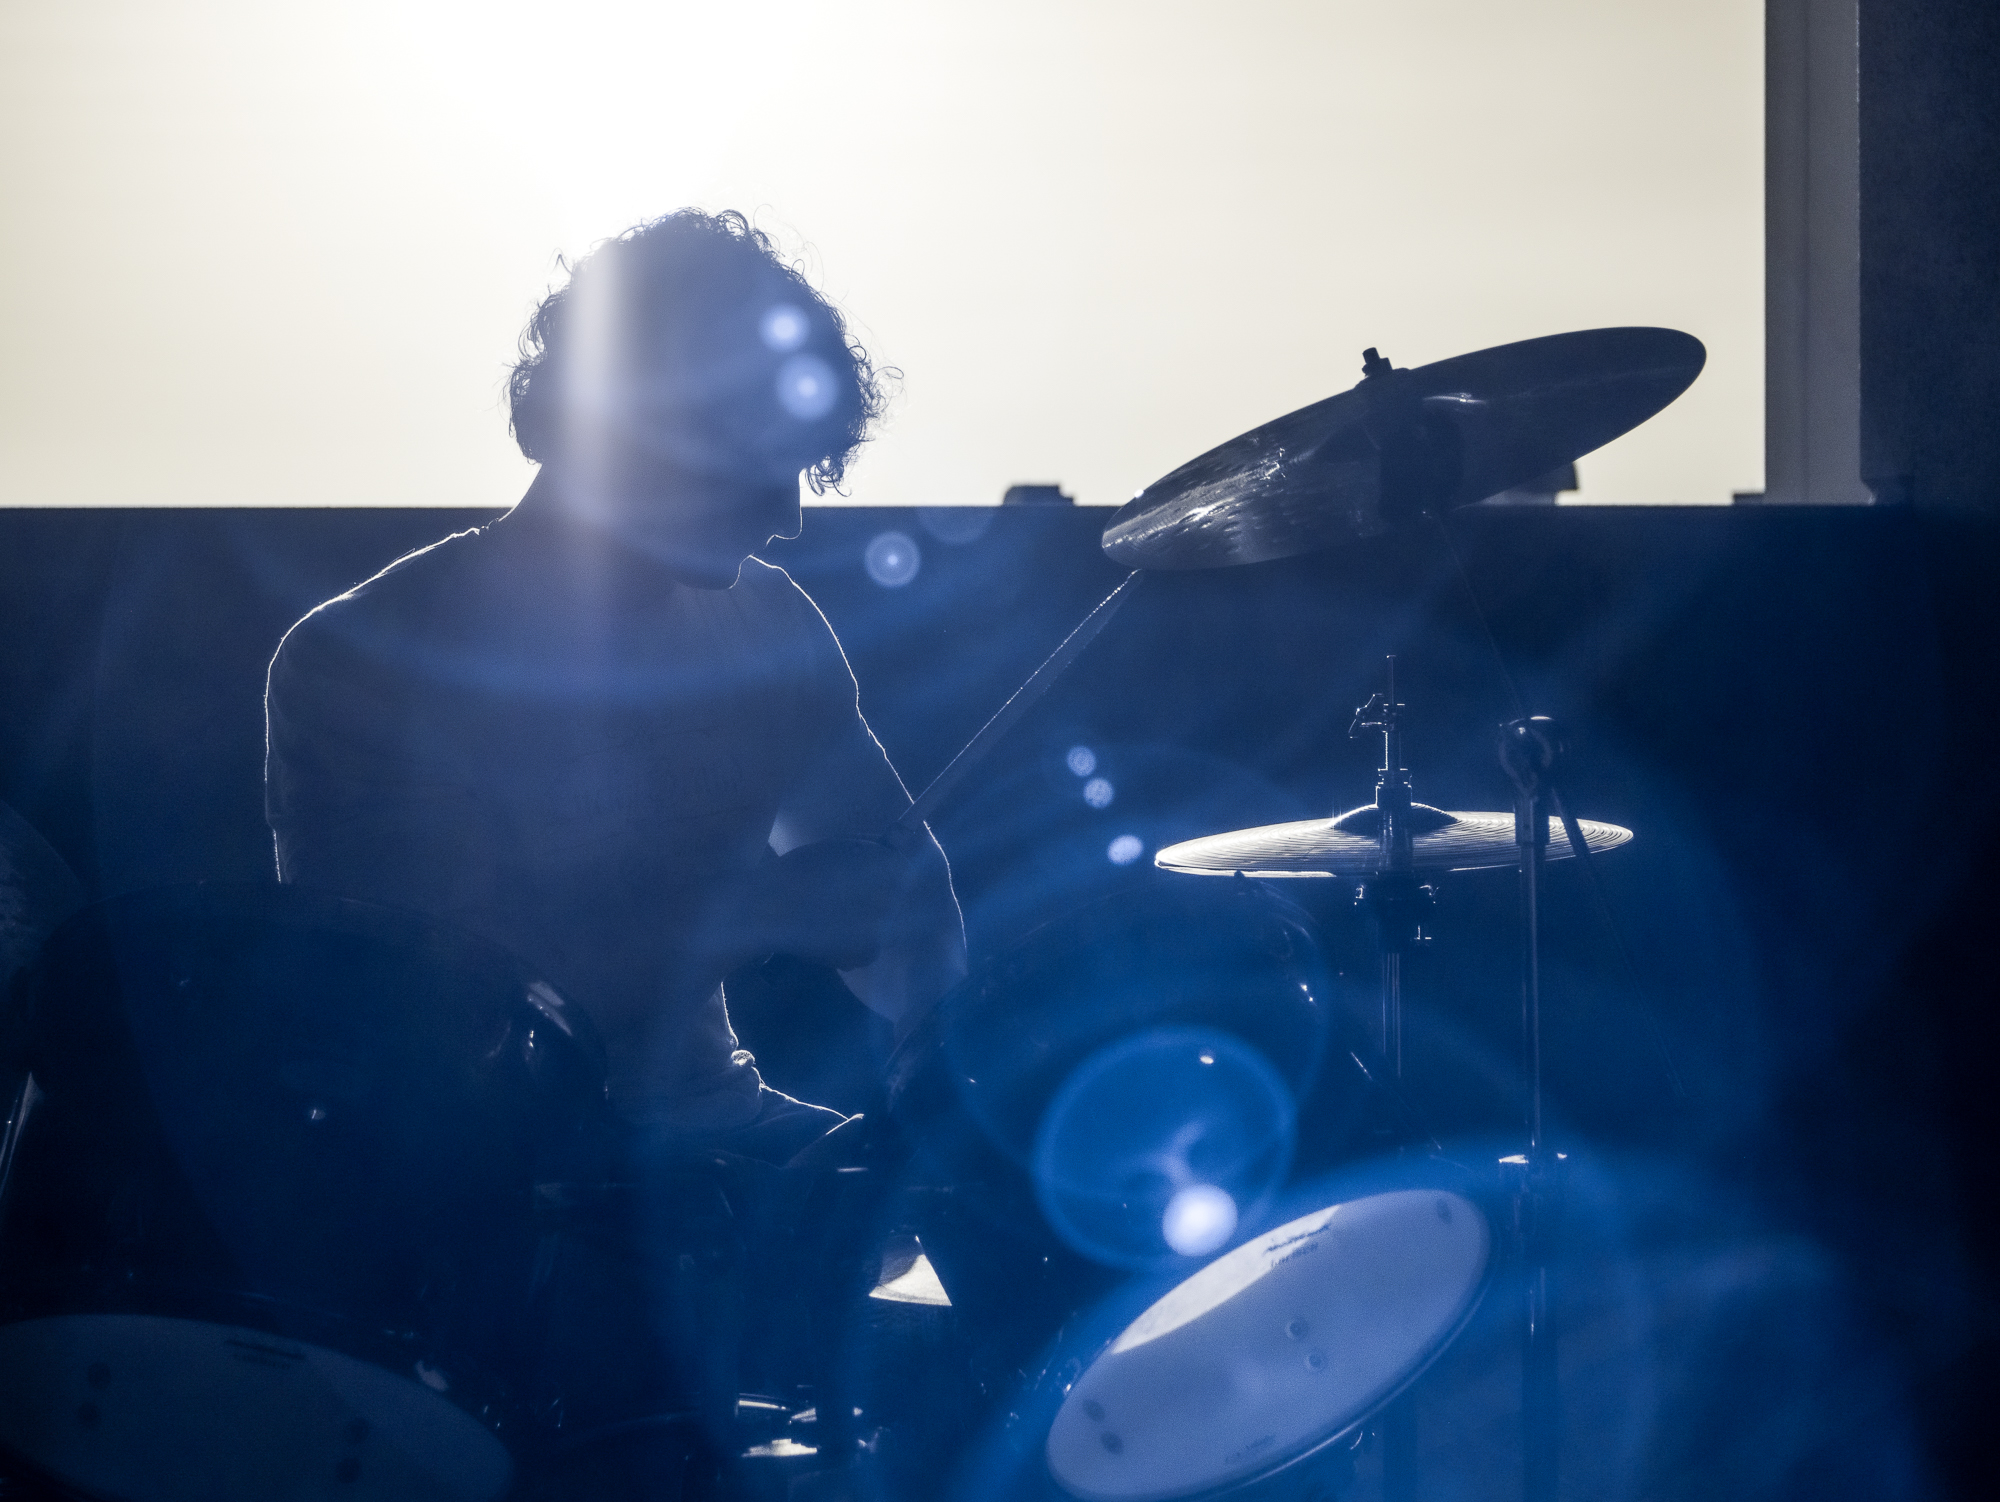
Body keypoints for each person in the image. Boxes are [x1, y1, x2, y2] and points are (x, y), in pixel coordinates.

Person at [264, 209, 967, 1166]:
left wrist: (931, 1054)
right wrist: (760, 912)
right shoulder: (364, 657)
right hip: (483, 1172)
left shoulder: (771, 624)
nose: (791, 520)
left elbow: (906, 917)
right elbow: (420, 1015)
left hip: (721, 1131)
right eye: (766, 467)